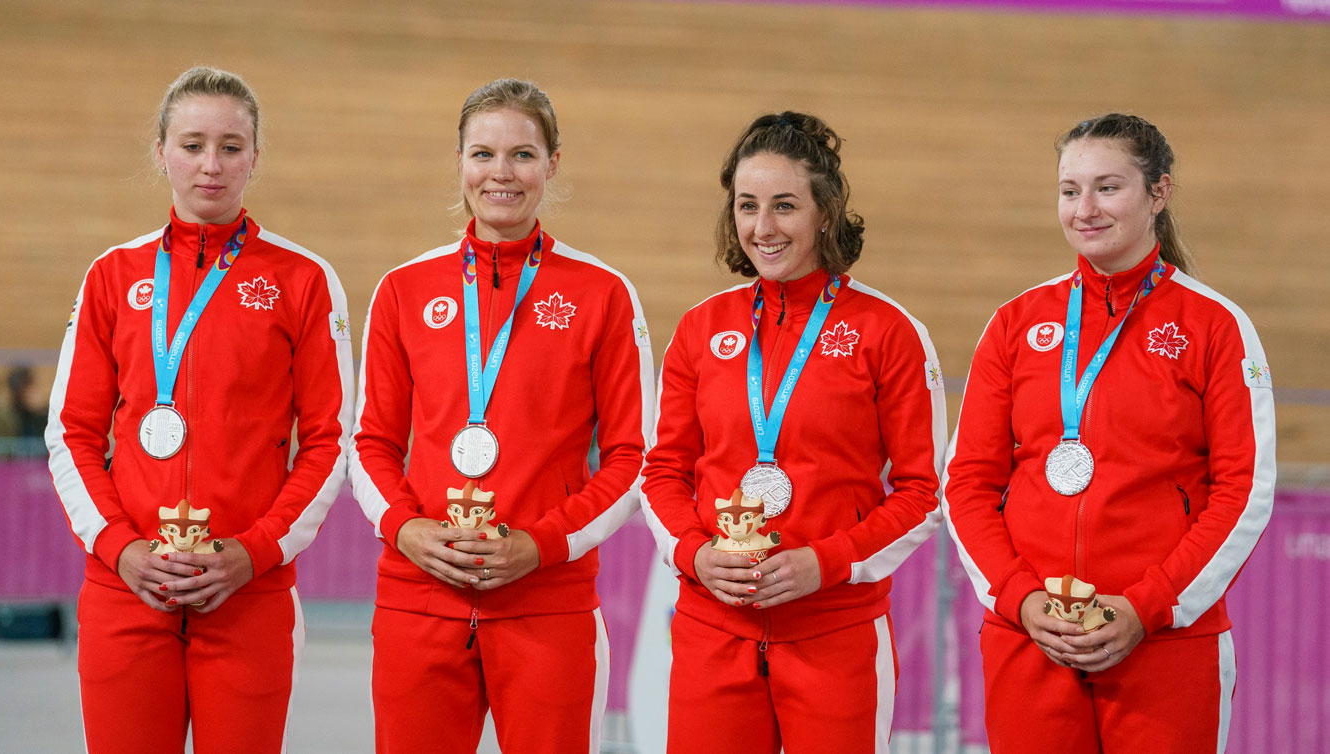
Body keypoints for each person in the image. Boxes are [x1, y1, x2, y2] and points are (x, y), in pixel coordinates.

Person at [45, 66, 354, 754]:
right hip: (127, 589)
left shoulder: (303, 279)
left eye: (230, 146)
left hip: (248, 593)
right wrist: (121, 550)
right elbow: (71, 433)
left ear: (255, 156)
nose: (210, 165)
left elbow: (332, 441)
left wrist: (257, 551)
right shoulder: (112, 275)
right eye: (191, 145)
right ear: (160, 151)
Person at [942, 113, 1275, 753]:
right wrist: (1019, 599)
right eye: (1070, 191)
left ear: (1159, 192)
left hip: (1166, 644)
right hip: (1030, 639)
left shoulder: (1215, 326)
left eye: (1107, 188)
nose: (1085, 209)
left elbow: (1244, 492)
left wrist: (1150, 606)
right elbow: (968, 483)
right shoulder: (1015, 323)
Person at [349, 77, 655, 754]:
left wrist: (540, 546)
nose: (501, 173)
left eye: (522, 154)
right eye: (483, 154)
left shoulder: (603, 294)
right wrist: (407, 531)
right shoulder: (403, 290)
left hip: (547, 602)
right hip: (419, 595)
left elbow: (635, 460)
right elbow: (370, 442)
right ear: (459, 162)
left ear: (551, 165)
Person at [640, 111, 947, 754]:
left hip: (836, 635)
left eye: (785, 206)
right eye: (747, 206)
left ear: (825, 213)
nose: (763, 227)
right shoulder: (700, 329)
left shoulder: (889, 332)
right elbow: (662, 471)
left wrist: (825, 563)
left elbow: (923, 492)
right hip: (712, 630)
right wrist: (695, 554)